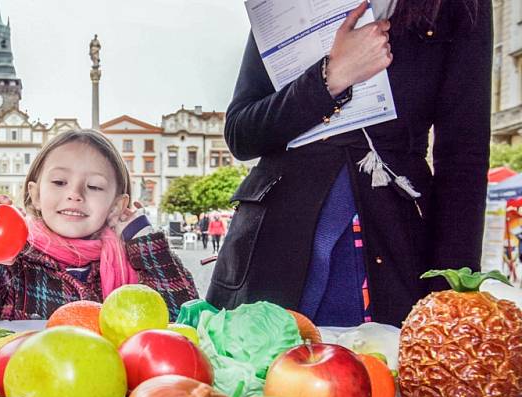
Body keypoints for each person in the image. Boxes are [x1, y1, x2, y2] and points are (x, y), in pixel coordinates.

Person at [207, 0, 490, 327]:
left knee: (384, 373)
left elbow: (463, 158)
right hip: (272, 252)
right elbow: (241, 133)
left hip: (395, 248)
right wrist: (331, 76)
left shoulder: (461, 6)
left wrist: (451, 302)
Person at [0, 129, 198, 321]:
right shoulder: (14, 262)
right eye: (60, 182)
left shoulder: (136, 262)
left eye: (95, 186)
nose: (75, 193)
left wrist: (144, 241)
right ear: (35, 195)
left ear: (116, 206)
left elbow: (184, 317)